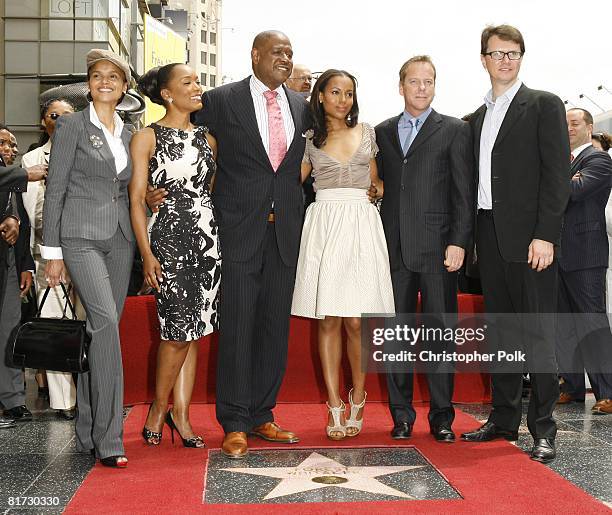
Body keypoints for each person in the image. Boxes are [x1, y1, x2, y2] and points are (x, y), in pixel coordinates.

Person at [194, 30, 310, 459]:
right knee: (239, 326)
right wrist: (160, 187)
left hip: (285, 233)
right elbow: (184, 141)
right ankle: (235, 421)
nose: (286, 57)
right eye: (278, 51)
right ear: (256, 55)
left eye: (290, 52)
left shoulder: (301, 104)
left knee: (273, 329)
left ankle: (263, 414)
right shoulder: (221, 100)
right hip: (238, 230)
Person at [460, 25, 570, 464]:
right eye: (497, 53)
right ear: (483, 59)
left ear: (521, 58)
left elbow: (557, 176)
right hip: (489, 236)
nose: (506, 60)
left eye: (513, 53)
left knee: (537, 334)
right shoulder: (475, 117)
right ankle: (503, 419)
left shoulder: (543, 104)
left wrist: (546, 235)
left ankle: (543, 429)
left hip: (531, 241)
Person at [42, 49, 135, 469]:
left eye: (112, 76)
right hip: (78, 236)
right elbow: (55, 188)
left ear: (124, 86)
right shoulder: (72, 125)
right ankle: (109, 437)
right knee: (107, 324)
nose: (104, 82)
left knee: (99, 334)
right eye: (97, 75)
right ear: (89, 84)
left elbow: (132, 190)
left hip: (120, 238)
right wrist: (52, 253)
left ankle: (85, 428)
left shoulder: (133, 132)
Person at [291, 69, 393, 440]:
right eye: (335, 92)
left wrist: (378, 190)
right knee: (329, 319)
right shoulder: (309, 139)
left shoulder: (368, 132)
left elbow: (376, 181)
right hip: (325, 223)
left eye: (349, 93)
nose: (342, 99)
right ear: (320, 96)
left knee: (356, 321)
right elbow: (291, 183)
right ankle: (335, 405)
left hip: (362, 224)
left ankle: (359, 395)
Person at [375, 56, 473, 442]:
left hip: (438, 250)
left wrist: (459, 242)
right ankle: (401, 416)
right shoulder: (381, 132)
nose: (421, 88)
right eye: (414, 81)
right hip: (393, 249)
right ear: (401, 86)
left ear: (435, 86)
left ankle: (442, 417)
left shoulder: (453, 130)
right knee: (395, 336)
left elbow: (463, 192)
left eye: (428, 81)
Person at [130, 63, 220, 448]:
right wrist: (147, 254)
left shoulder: (208, 139)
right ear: (167, 93)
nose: (197, 87)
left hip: (207, 241)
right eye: (188, 82)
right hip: (168, 238)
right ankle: (158, 407)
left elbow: (208, 193)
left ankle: (182, 414)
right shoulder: (146, 137)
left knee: (195, 330)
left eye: (197, 81)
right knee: (175, 331)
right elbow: (136, 200)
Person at [21, 98, 81, 421]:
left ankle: (90, 394)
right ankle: (64, 401)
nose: (60, 121)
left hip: (86, 251)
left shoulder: (87, 155)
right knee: (55, 326)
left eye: (67, 115)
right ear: (44, 121)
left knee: (88, 323)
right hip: (46, 255)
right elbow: (27, 216)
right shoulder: (30, 160)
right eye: (54, 115)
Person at [555, 108, 612, 415]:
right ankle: (571, 386)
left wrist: (554, 177)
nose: (568, 128)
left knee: (591, 322)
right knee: (564, 324)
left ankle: (607, 391)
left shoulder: (599, 160)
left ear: (589, 128)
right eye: (563, 124)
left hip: (586, 254)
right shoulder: (565, 163)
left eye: (574, 123)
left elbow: (573, 192)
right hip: (559, 254)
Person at [0, 155, 34, 425]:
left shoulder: (9, 176)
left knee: (10, 331)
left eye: (12, 143)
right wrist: (23, 173)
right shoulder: (13, 174)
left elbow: (23, 221)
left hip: (10, 261)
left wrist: (26, 264)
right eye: (3, 142)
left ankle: (13, 399)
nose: (9, 148)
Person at [285, 64, 315, 207]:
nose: (307, 82)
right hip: (286, 181)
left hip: (311, 187)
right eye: (302, 78)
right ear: (287, 81)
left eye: (310, 78)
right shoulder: (279, 110)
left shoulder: (316, 112)